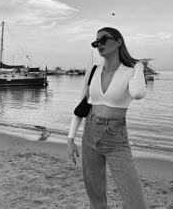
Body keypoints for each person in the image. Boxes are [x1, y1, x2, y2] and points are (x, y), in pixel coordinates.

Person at [67, 27, 148, 209]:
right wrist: (70, 139)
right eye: (96, 42)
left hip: (116, 138)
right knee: (95, 196)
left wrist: (139, 66)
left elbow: (138, 93)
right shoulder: (93, 70)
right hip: (89, 134)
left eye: (103, 39)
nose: (99, 44)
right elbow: (80, 106)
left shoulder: (130, 72)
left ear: (119, 41)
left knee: (136, 202)